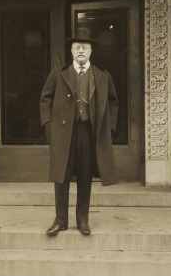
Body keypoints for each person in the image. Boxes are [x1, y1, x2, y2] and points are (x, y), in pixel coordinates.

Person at [39, 29, 119, 236]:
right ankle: (60, 220)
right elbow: (45, 99)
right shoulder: (59, 73)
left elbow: (113, 102)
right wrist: (49, 126)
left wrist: (106, 130)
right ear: (72, 51)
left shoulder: (102, 76)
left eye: (85, 47)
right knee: (61, 176)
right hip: (63, 133)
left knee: (85, 176)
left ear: (91, 51)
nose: (81, 51)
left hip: (89, 132)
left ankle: (83, 220)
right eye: (77, 47)